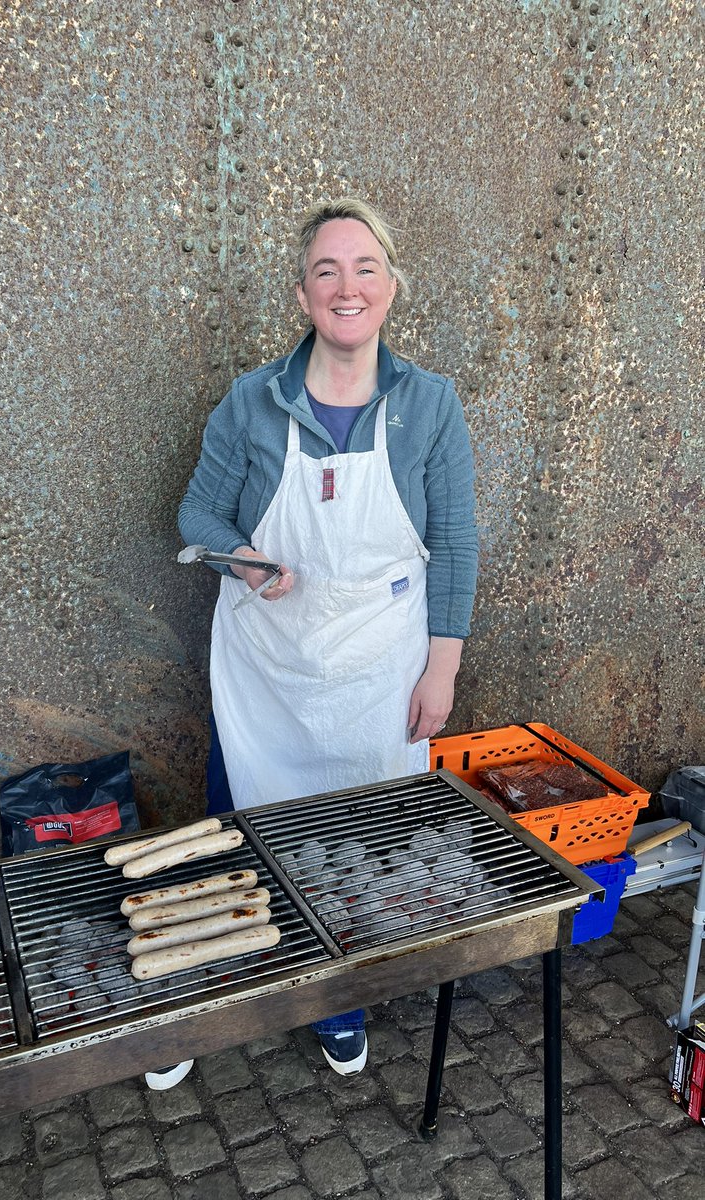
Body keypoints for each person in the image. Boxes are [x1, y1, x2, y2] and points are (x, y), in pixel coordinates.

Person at [148, 198, 478, 1091]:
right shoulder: (251, 402)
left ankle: (339, 1002)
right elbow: (196, 517)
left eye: (365, 267)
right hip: (269, 669)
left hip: (381, 670)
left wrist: (441, 667)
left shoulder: (430, 406)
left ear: (391, 289)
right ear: (302, 294)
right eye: (327, 270)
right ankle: (206, 1002)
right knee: (234, 831)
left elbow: (454, 541)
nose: (347, 285)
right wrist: (245, 561)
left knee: (359, 845)